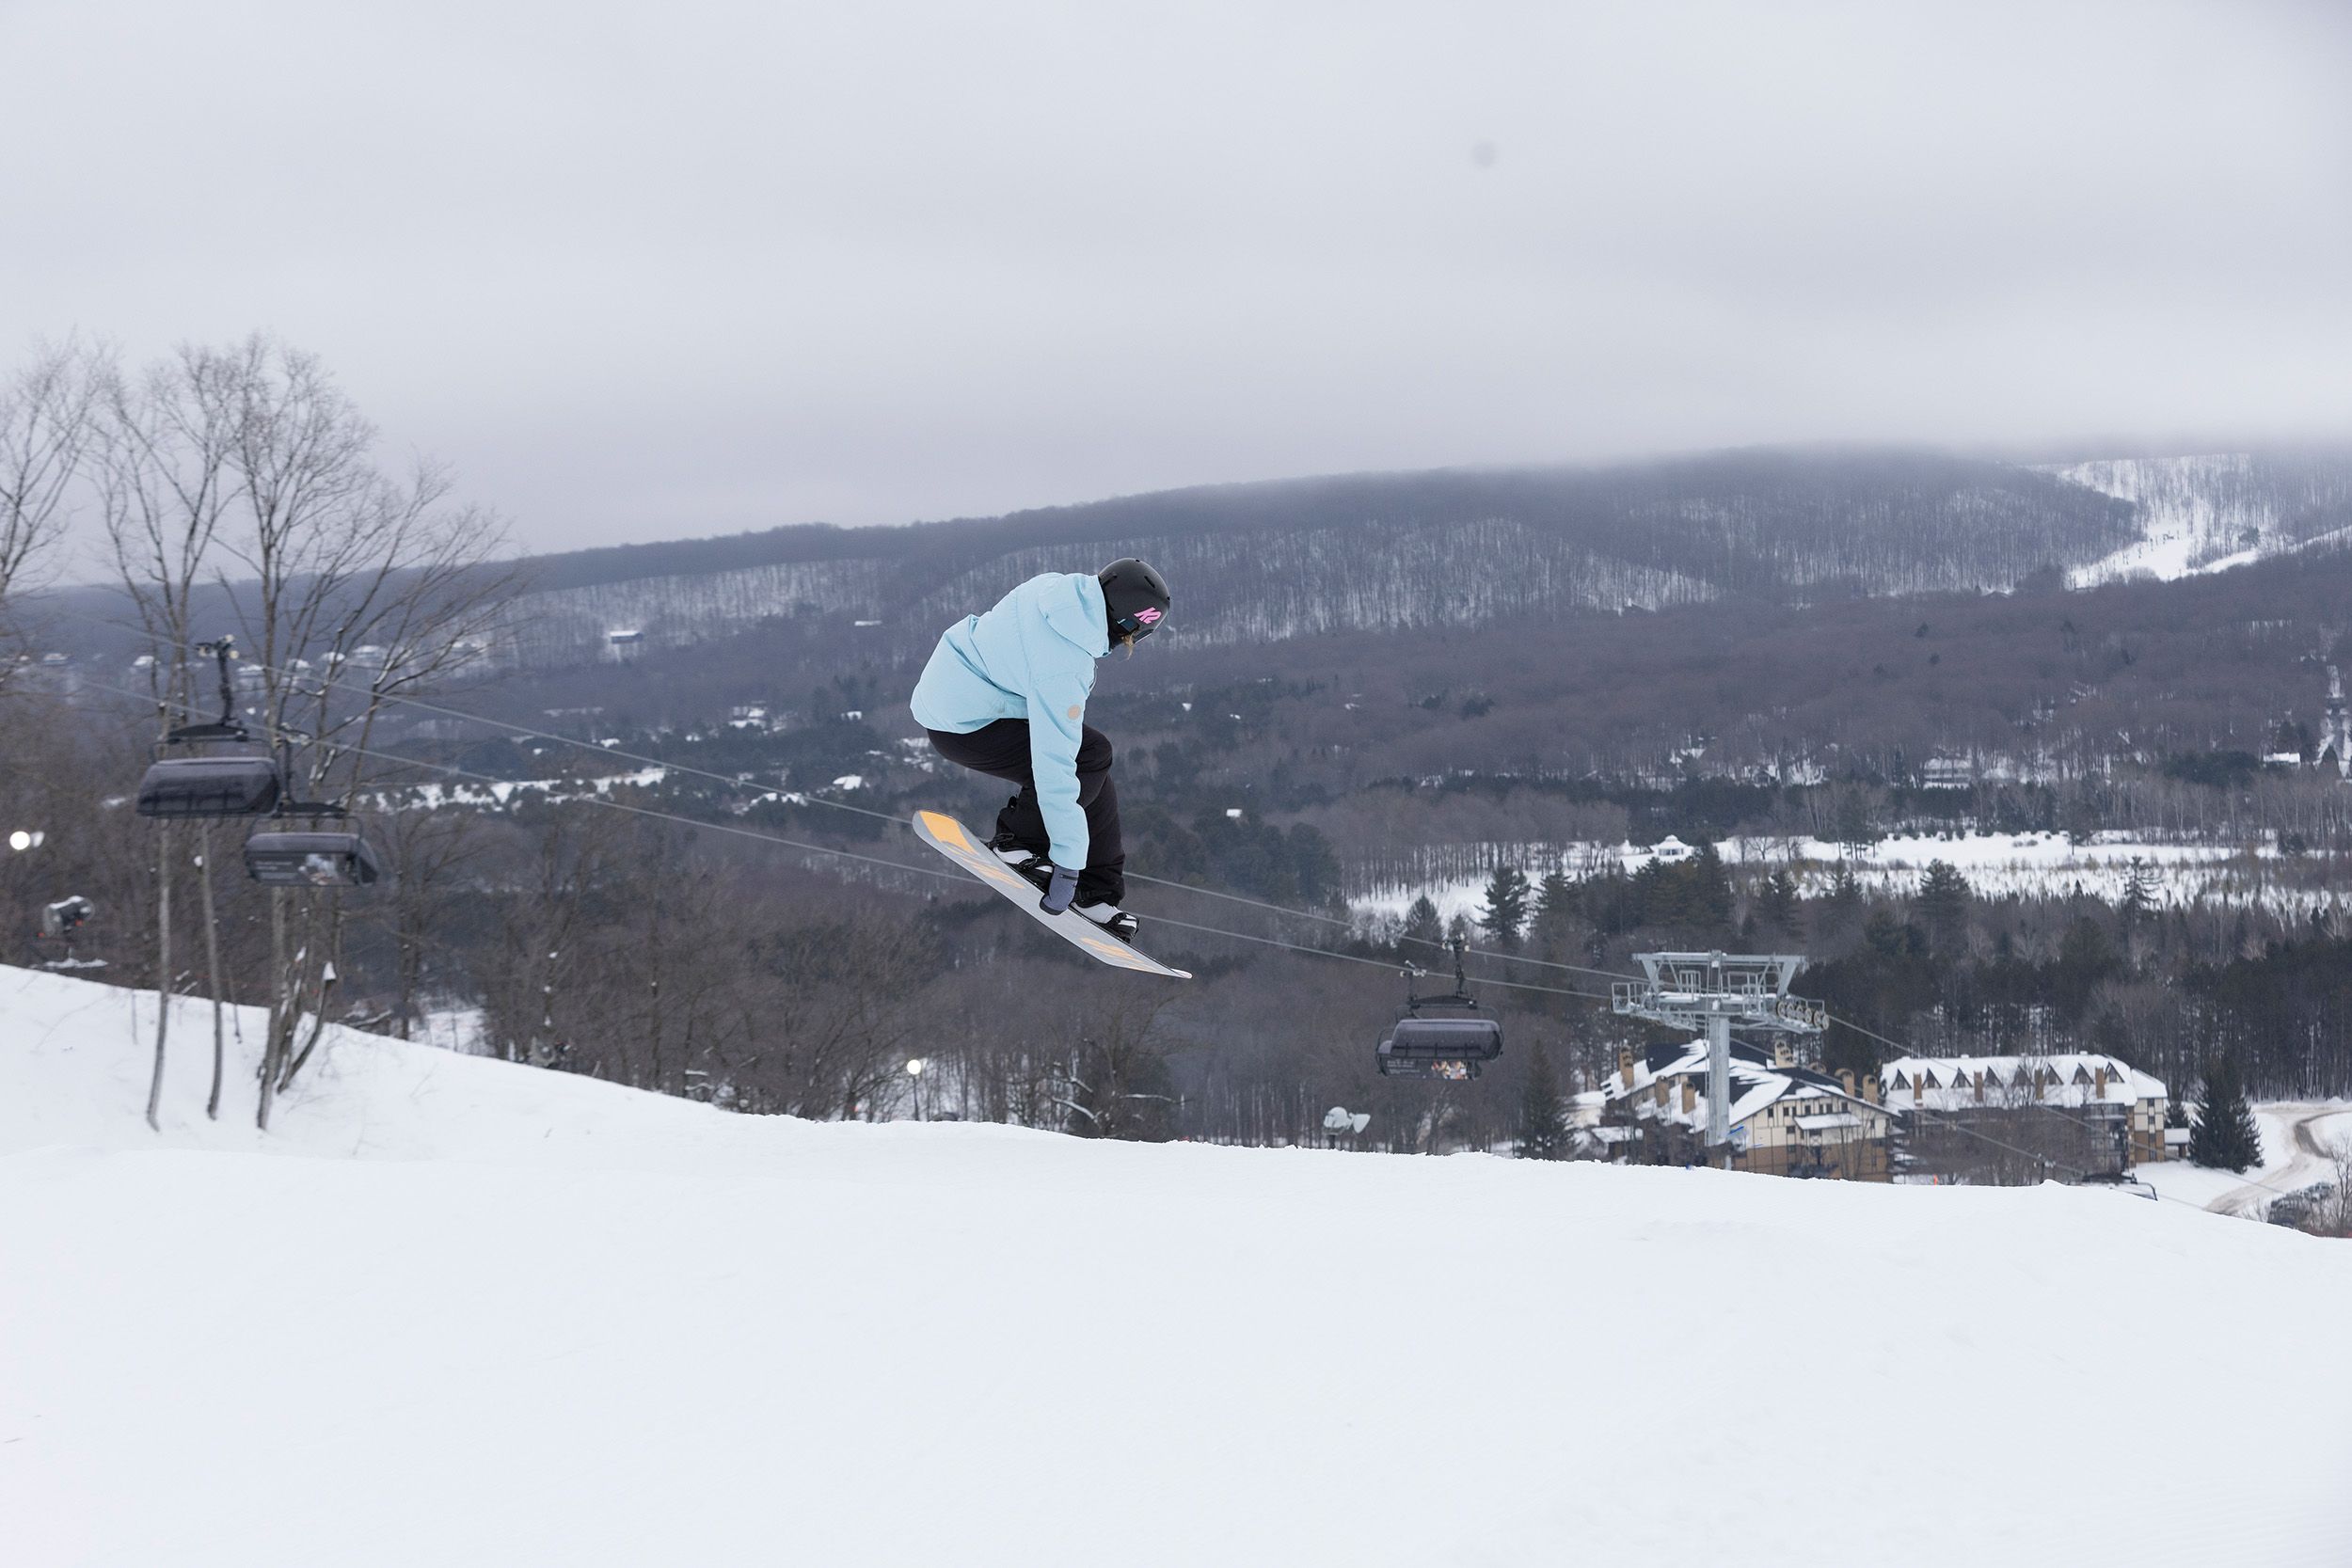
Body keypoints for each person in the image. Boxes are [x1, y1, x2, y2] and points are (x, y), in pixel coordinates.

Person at [911, 558, 1169, 939]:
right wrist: (1066, 861)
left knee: (1093, 762)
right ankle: (1016, 842)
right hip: (964, 725)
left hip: (957, 694)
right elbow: (1054, 765)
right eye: (1132, 637)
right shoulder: (1066, 664)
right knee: (1085, 758)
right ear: (1126, 625)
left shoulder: (1055, 590)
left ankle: (1096, 892)